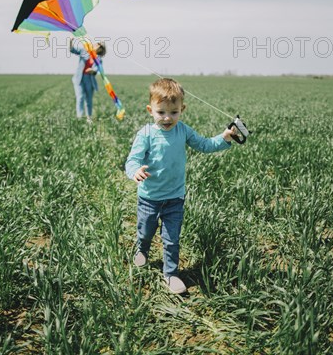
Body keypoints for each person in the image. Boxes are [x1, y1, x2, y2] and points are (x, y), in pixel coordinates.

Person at [125, 78, 239, 294]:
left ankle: (171, 274)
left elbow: (204, 145)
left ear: (182, 109)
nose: (167, 118)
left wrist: (224, 138)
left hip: (175, 198)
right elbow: (132, 160)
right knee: (146, 232)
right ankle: (142, 250)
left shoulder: (183, 131)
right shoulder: (146, 134)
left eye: (174, 112)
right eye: (161, 112)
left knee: (171, 239)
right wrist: (135, 171)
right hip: (149, 198)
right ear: (150, 110)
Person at [70, 40, 106, 122]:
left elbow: (97, 70)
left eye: (99, 46)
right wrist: (70, 42)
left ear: (101, 50)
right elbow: (72, 50)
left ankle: (88, 118)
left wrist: (92, 71)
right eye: (97, 44)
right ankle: (79, 117)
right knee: (80, 97)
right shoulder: (84, 51)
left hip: (89, 79)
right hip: (79, 78)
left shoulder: (98, 59)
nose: (97, 45)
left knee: (89, 99)